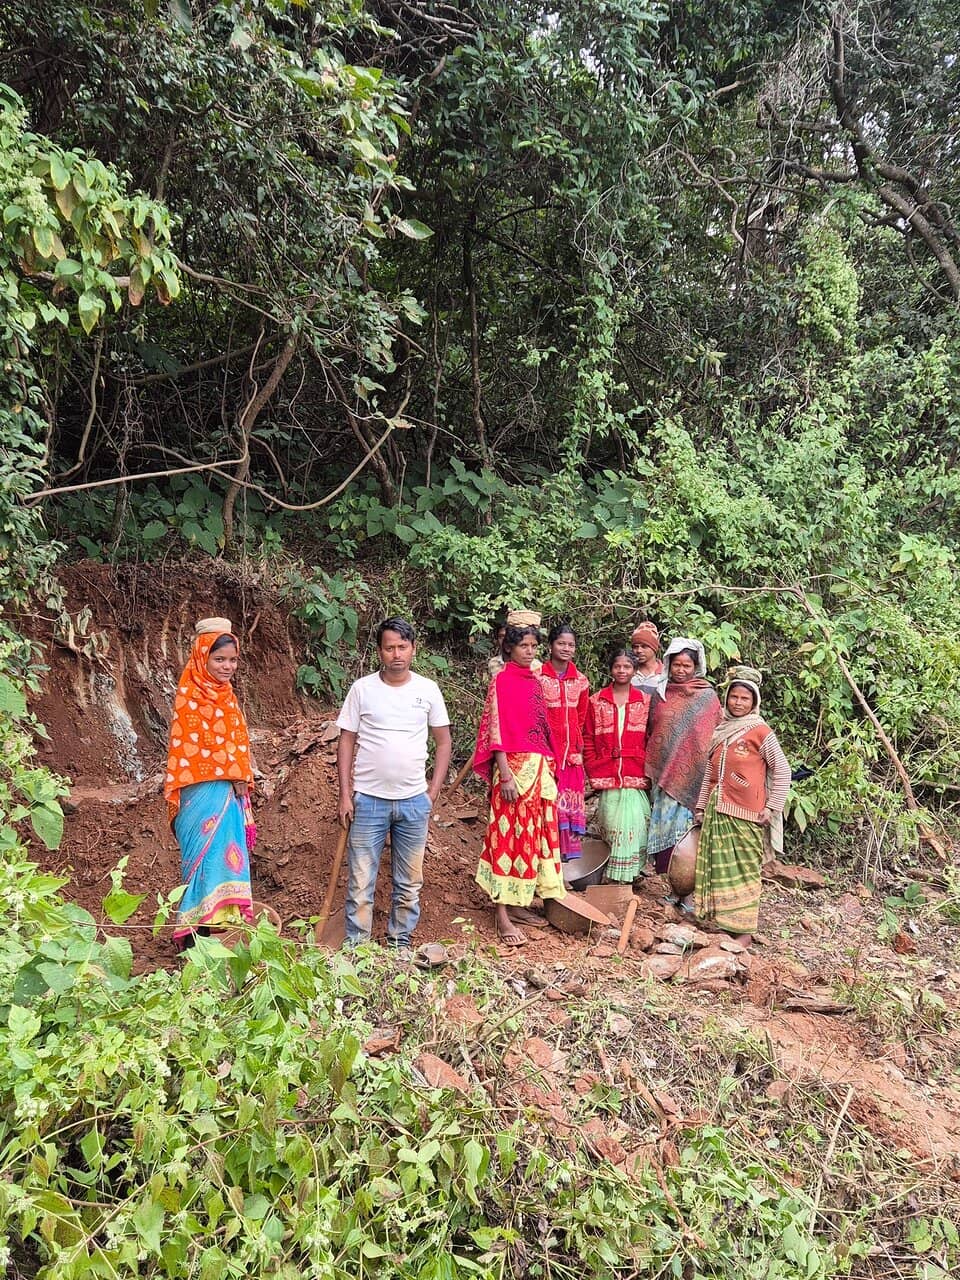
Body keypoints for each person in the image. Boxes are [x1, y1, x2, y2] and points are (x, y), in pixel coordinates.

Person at [336, 618, 452, 951]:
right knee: (360, 882)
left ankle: (399, 944)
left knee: (410, 882)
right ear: (379, 651)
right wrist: (346, 794)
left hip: (414, 801)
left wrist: (432, 793)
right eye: (389, 648)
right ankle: (357, 949)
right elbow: (346, 741)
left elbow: (443, 742)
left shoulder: (427, 690)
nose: (396, 654)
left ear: (413, 649)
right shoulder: (362, 689)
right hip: (368, 800)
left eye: (402, 647)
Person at [473, 612, 566, 946]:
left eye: (533, 645)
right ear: (509, 648)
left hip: (538, 768)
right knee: (507, 835)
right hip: (512, 770)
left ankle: (519, 901)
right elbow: (495, 729)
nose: (529, 651)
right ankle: (500, 913)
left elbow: (542, 727)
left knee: (533, 835)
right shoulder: (501, 681)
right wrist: (506, 774)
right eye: (523, 645)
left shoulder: (535, 681)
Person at [164, 617, 256, 944]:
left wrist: (239, 775)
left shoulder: (226, 695)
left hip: (228, 792)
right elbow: (192, 747)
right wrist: (234, 772)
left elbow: (234, 742)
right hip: (201, 794)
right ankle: (195, 939)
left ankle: (222, 935)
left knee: (224, 857)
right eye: (220, 659)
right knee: (201, 860)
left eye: (232, 660)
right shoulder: (190, 694)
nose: (228, 666)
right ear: (203, 656)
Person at [693, 667, 790, 943]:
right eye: (733, 697)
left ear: (754, 703)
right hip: (717, 811)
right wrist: (701, 807)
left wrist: (772, 807)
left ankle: (744, 932)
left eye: (744, 699)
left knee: (745, 871)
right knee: (722, 869)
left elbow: (782, 770)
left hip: (747, 814)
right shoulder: (721, 731)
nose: (738, 702)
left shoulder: (761, 732)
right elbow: (710, 775)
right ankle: (725, 926)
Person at [644, 637, 722, 891]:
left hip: (694, 778)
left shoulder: (707, 697)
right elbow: (653, 732)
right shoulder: (661, 693)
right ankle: (663, 879)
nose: (681, 670)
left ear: (696, 666)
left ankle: (684, 884)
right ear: (668, 664)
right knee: (663, 825)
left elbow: (712, 736)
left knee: (684, 830)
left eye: (686, 666)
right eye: (676, 664)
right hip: (664, 773)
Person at [582, 648, 651, 884]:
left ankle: (630, 876)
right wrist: (593, 765)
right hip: (607, 774)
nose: (622, 671)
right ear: (611, 669)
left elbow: (651, 738)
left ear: (634, 670)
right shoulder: (596, 700)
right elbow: (588, 737)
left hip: (635, 774)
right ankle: (614, 874)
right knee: (611, 825)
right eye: (617, 666)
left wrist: (646, 766)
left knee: (634, 826)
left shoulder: (645, 701)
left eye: (627, 667)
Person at [540, 622, 590, 860]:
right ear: (550, 646)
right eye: (561, 643)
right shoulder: (537, 677)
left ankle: (564, 866)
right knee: (547, 807)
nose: (566, 648)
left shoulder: (581, 681)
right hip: (545, 754)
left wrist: (578, 748)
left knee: (566, 811)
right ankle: (545, 860)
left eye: (571, 645)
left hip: (571, 758)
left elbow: (581, 717)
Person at [630, 621, 663, 686]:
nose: (639, 650)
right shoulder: (627, 672)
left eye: (644, 646)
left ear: (654, 648)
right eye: (635, 647)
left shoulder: (665, 674)